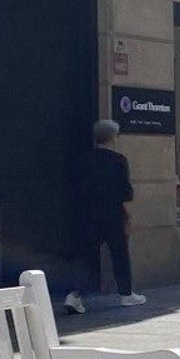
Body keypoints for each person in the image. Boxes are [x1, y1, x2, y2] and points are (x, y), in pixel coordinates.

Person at [63, 120, 145, 314]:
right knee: (119, 254)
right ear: (112, 137)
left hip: (88, 214)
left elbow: (76, 189)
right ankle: (126, 294)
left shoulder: (83, 160)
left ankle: (74, 295)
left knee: (86, 255)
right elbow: (125, 191)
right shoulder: (118, 160)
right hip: (113, 213)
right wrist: (128, 215)